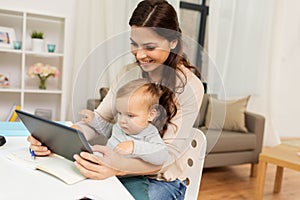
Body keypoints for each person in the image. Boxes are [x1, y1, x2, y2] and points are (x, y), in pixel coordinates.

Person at [28, 0, 204, 199]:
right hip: (117, 169)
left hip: (160, 181)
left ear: (173, 42)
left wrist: (118, 168)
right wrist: (57, 137)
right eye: (134, 44)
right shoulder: (128, 74)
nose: (140, 54)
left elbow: (167, 156)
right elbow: (97, 123)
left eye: (150, 47)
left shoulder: (189, 86)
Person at [79, 79, 171, 166]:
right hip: (107, 166)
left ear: (151, 115)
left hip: (131, 177)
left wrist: (133, 147)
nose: (122, 120)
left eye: (130, 115)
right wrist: (94, 120)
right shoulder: (121, 127)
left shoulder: (150, 133)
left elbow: (162, 155)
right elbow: (108, 130)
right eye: (120, 113)